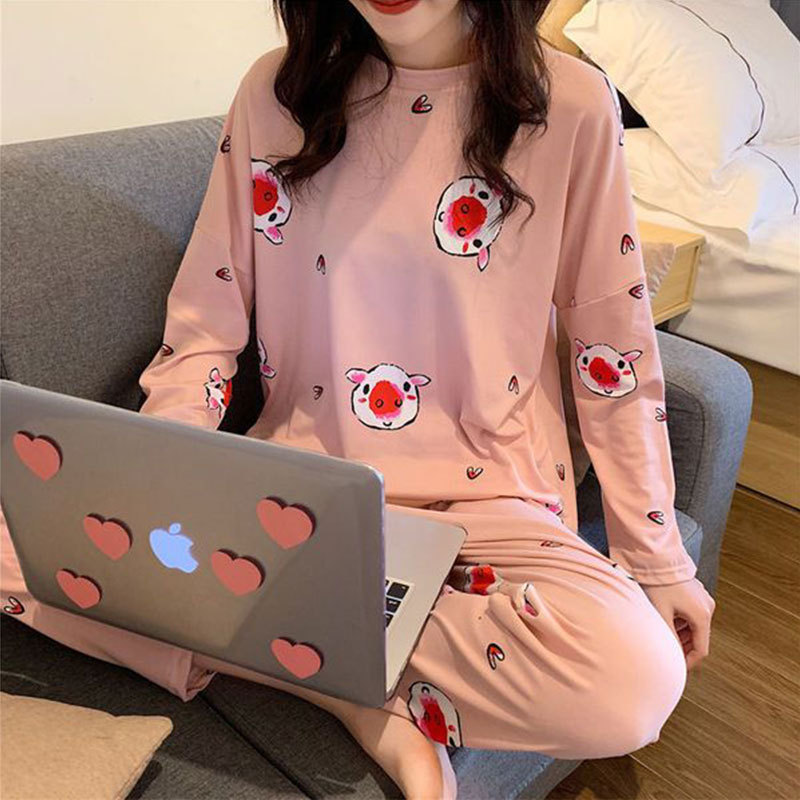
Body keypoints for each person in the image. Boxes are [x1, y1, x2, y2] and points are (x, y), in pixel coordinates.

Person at [0, 0, 718, 797]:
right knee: (24, 542)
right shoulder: (276, 94)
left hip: (490, 505)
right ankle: (349, 692)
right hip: (295, 491)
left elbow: (612, 355)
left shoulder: (571, 105)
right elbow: (205, 326)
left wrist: (656, 558)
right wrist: (163, 481)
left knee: (634, 681)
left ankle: (302, 656)